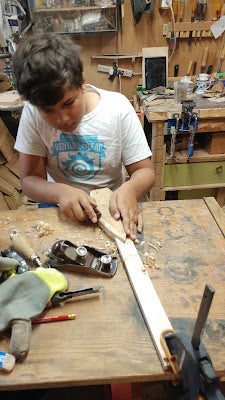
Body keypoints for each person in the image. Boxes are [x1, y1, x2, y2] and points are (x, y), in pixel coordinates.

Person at [12, 33, 155, 241]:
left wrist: (131, 190)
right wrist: (60, 193)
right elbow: (29, 180)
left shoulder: (117, 108)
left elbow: (145, 171)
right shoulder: (32, 113)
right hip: (59, 204)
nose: (62, 119)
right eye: (48, 111)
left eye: (69, 103)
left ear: (82, 83)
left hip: (114, 207)